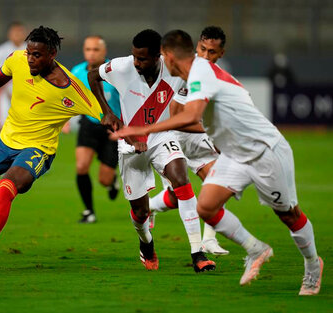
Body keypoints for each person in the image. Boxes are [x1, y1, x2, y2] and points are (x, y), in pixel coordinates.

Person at [113, 29, 323, 295]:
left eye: (164, 58)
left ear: (170, 57)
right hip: (235, 154)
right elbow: (181, 115)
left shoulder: (202, 72)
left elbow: (191, 116)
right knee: (206, 207)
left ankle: (313, 265)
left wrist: (142, 128)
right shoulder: (190, 77)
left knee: (288, 214)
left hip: (265, 150)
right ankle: (256, 249)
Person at [0, 26, 112, 274]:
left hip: (38, 150)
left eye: (37, 55)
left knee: (5, 190)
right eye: (29, 53)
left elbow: (106, 114)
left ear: (52, 54)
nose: (30, 58)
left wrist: (113, 121)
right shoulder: (17, 60)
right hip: (4, 142)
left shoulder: (69, 87)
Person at [88, 29, 215, 273]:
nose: (137, 63)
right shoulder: (123, 67)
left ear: (159, 56)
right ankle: (146, 243)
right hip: (129, 144)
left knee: (181, 179)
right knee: (140, 212)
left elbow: (203, 67)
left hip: (161, 136)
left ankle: (197, 252)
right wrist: (107, 111)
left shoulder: (175, 69)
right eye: (135, 56)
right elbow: (93, 75)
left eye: (142, 58)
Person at [148, 26, 229, 256]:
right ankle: (151, 207)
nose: (206, 56)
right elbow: (175, 114)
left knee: (218, 185)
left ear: (221, 53)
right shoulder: (183, 69)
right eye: (202, 49)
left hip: (198, 139)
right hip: (174, 136)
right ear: (196, 47)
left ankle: (209, 240)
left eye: (212, 52)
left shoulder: (216, 76)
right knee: (176, 198)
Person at [69, 35, 121, 223]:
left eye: (96, 50)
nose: (91, 53)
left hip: (113, 130)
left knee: (104, 180)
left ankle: (112, 180)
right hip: (89, 125)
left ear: (104, 52)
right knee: (81, 166)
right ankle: (89, 211)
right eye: (88, 49)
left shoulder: (116, 71)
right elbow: (67, 99)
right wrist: (65, 121)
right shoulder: (76, 72)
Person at [0, 21, 27, 129]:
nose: (17, 34)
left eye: (20, 32)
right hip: (6, 93)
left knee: (25, 124)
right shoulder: (1, 50)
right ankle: (0, 145)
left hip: (27, 92)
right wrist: (7, 91)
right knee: (4, 123)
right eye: (15, 32)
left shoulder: (31, 49)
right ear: (9, 34)